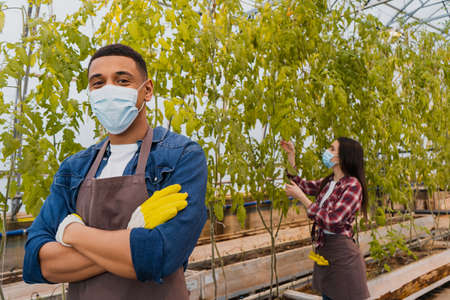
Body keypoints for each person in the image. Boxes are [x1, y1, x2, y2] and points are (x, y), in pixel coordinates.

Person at [23, 44, 207, 300]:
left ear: (147, 91)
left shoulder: (181, 156)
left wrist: (71, 233)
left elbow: (159, 257)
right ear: (89, 93)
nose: (109, 89)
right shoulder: (73, 169)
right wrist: (131, 238)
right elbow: (37, 262)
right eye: (98, 83)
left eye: (122, 80)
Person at [282, 138, 370, 300]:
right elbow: (300, 184)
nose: (327, 151)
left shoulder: (353, 186)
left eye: (332, 148)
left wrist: (303, 199)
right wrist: (291, 156)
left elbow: (333, 220)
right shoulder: (329, 182)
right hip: (326, 253)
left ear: (342, 157)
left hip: (343, 257)